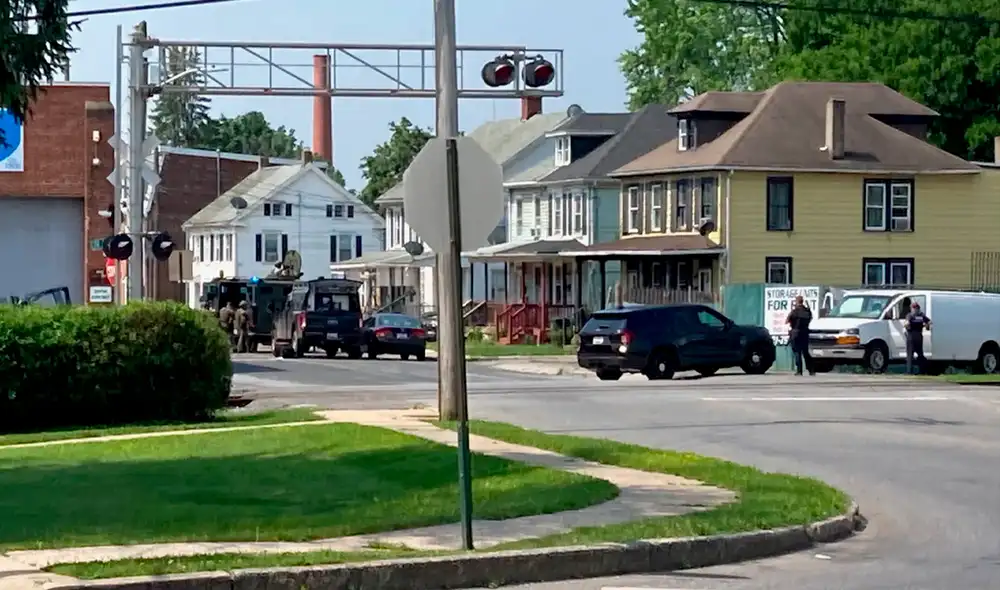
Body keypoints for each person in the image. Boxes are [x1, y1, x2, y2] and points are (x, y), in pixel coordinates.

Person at [786, 295, 815, 376]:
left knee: (797, 352)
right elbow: (810, 318)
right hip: (805, 333)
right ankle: (811, 370)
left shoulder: (794, 312)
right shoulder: (807, 311)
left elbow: (787, 321)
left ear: (796, 302)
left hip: (795, 333)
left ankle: (799, 371)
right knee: (805, 352)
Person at [903, 301, 931, 375]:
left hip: (911, 335)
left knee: (910, 355)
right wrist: (925, 326)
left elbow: (906, 323)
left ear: (912, 308)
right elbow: (929, 322)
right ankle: (922, 370)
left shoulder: (910, 315)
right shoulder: (921, 315)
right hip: (919, 336)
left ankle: (909, 371)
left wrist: (907, 327)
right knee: (920, 354)